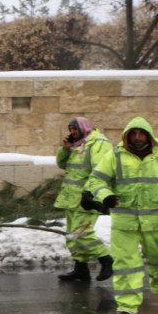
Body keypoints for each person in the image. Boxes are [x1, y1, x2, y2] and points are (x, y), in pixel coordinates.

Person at [84, 117, 158, 314]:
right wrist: (104, 195)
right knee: (126, 265)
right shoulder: (115, 155)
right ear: (127, 135)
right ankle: (127, 307)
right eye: (133, 134)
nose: (138, 137)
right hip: (125, 223)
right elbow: (97, 179)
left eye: (142, 133)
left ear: (149, 135)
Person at [53, 117, 114, 282]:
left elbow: (100, 171)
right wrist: (65, 149)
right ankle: (81, 269)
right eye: (70, 129)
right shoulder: (78, 145)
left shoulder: (99, 144)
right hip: (71, 198)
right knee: (72, 235)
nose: (72, 132)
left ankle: (106, 260)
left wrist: (90, 194)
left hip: (87, 198)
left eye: (75, 129)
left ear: (85, 127)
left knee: (83, 234)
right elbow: (62, 164)